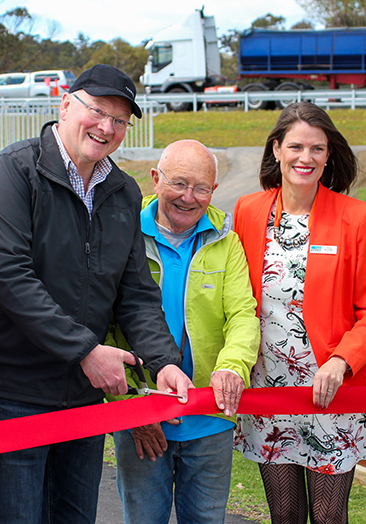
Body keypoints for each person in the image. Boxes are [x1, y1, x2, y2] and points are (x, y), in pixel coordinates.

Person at [0, 64, 193, 524]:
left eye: (120, 120)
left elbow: (135, 293)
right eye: (98, 111)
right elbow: (10, 276)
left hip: (81, 394)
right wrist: (86, 350)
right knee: (20, 518)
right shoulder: (14, 170)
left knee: (74, 518)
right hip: (14, 386)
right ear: (66, 104)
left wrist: (164, 362)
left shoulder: (123, 191)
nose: (107, 127)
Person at [232, 101, 366, 524]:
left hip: (333, 390)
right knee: (284, 513)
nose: (306, 158)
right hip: (270, 388)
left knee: (326, 515)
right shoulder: (248, 212)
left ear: (329, 155)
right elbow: (237, 300)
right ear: (276, 150)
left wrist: (341, 362)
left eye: (318, 149)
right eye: (297, 147)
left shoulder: (359, 219)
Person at [108, 140, 261, 524]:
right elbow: (103, 326)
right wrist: (129, 409)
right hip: (141, 417)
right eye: (179, 183)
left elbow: (243, 314)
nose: (189, 198)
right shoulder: (122, 233)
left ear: (214, 191)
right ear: (156, 179)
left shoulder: (227, 240)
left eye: (202, 188)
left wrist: (232, 368)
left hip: (210, 417)